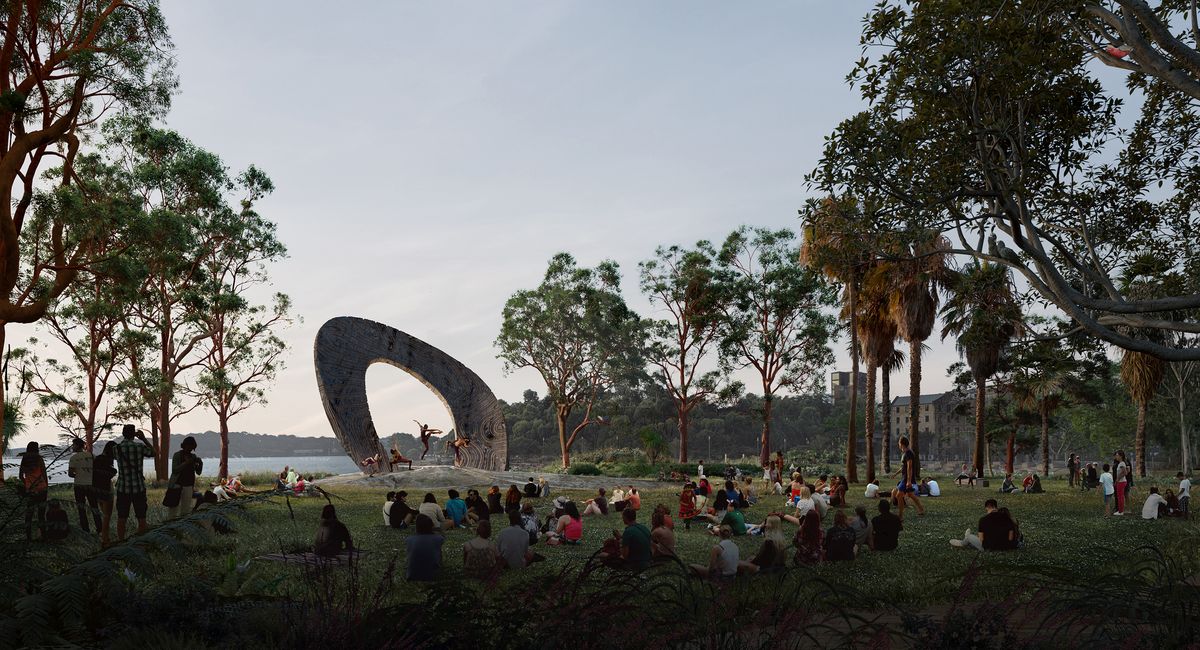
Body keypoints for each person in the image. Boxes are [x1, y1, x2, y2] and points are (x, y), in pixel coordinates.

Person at [115, 425, 156, 541]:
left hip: (123, 488)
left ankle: (121, 541)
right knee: (141, 517)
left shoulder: (116, 448)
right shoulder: (139, 447)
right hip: (139, 487)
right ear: (134, 434)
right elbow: (154, 453)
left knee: (122, 517)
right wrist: (143, 439)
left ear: (123, 433)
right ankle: (141, 541)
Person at [67, 438, 101, 533]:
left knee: (81, 509)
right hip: (91, 485)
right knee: (94, 507)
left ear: (77, 445)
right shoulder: (91, 455)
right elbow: (97, 470)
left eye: (73, 445)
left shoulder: (73, 458)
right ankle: (100, 528)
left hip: (79, 486)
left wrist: (79, 475)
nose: (72, 447)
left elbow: (70, 474)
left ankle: (86, 530)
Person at [165, 436, 203, 520]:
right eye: (189, 446)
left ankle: (182, 527)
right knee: (173, 510)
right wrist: (186, 463)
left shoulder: (193, 457)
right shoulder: (177, 455)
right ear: (184, 445)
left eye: (192, 447)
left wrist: (200, 464)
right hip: (176, 485)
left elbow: (198, 472)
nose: (190, 449)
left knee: (185, 511)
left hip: (188, 486)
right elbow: (174, 470)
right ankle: (170, 528)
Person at [19, 442, 49, 541]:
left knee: (29, 513)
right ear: (36, 449)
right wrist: (46, 486)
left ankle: (28, 536)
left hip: (30, 490)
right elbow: (44, 474)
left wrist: (27, 484)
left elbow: (20, 476)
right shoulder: (39, 459)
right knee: (41, 514)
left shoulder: (25, 459)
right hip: (41, 488)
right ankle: (44, 535)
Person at [893, 436, 925, 519]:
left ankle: (900, 516)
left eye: (899, 443)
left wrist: (909, 481)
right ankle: (921, 509)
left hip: (907, 478)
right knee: (910, 495)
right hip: (905, 478)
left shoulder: (908, 453)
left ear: (902, 444)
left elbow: (909, 467)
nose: (898, 445)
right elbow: (904, 467)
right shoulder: (905, 453)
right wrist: (895, 474)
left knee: (899, 495)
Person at [92, 441, 118, 544]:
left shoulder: (97, 458)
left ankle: (104, 536)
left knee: (104, 515)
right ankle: (105, 538)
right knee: (107, 516)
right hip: (107, 490)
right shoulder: (108, 460)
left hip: (97, 490)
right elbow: (110, 473)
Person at [406, 514, 445, 581]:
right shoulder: (439, 538)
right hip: (433, 576)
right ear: (431, 526)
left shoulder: (409, 539)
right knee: (438, 551)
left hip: (412, 576)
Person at [1114, 450, 1130, 515]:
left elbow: (1125, 472)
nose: (1116, 456)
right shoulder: (1121, 463)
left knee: (1120, 497)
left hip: (1121, 482)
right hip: (1121, 481)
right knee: (1120, 496)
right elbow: (1126, 471)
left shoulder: (1122, 463)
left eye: (1117, 455)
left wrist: (1118, 479)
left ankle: (1121, 512)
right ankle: (1120, 510)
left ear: (1121, 456)